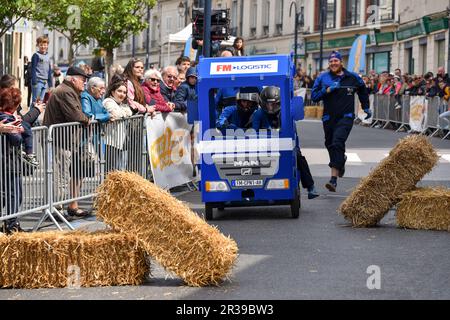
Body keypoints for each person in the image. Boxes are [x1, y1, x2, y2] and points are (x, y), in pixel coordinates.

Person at [311, 51, 370, 192]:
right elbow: (314, 96)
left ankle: (333, 180)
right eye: (331, 62)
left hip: (346, 117)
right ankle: (340, 161)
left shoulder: (352, 77)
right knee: (331, 144)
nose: (333, 64)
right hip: (328, 118)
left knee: (338, 141)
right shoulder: (323, 78)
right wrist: (327, 90)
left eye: (335, 61)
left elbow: (362, 90)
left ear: (341, 62)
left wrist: (366, 107)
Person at [252, 86, 319, 199]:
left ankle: (310, 186)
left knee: (299, 157)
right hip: (262, 145)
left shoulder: (285, 113)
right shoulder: (258, 114)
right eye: (268, 104)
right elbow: (253, 132)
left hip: (283, 143)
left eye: (274, 104)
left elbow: (291, 131)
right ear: (262, 103)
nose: (270, 107)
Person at [43, 66, 92, 218]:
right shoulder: (65, 91)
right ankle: (56, 209)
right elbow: (75, 115)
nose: (84, 83)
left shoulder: (69, 90)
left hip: (64, 140)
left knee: (63, 175)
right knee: (60, 176)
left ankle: (60, 208)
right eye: (83, 80)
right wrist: (87, 119)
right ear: (73, 79)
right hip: (59, 140)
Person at [0, 87, 26, 233]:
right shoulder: (6, 119)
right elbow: (17, 139)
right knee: (13, 194)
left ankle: (10, 223)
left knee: (9, 194)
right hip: (7, 161)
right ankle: (12, 225)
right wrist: (17, 126)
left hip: (7, 160)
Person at [0, 87, 39, 167]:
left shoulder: (8, 116)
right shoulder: (6, 118)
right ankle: (28, 153)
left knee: (26, 126)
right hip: (7, 164)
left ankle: (28, 153)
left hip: (11, 163)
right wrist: (18, 130)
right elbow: (17, 140)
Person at [103, 80, 133, 171]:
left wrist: (123, 112)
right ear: (112, 92)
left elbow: (130, 112)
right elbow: (116, 113)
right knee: (110, 170)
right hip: (110, 141)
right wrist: (124, 113)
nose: (122, 94)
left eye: (124, 92)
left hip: (120, 141)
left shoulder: (121, 104)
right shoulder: (108, 101)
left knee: (118, 169)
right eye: (119, 91)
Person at [30, 36, 52, 106]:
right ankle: (32, 117)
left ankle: (37, 116)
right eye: (41, 45)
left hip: (45, 82)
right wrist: (34, 82)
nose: (43, 46)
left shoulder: (48, 56)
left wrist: (50, 84)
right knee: (35, 101)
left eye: (45, 45)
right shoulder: (36, 55)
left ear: (47, 45)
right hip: (38, 81)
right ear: (38, 45)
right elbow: (33, 68)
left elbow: (49, 70)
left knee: (41, 102)